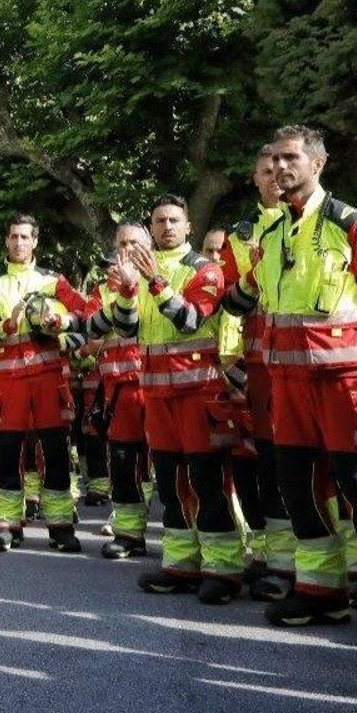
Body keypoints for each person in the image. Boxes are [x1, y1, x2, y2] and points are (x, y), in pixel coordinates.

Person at [224, 125, 357, 648]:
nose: (283, 168)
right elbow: (240, 300)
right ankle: (320, 591)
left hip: (347, 383)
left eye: (293, 158)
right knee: (299, 487)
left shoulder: (354, 223)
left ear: (318, 164)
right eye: (276, 160)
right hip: (287, 386)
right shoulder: (267, 235)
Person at [107, 196, 235, 602]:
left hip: (199, 393)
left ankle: (223, 569)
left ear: (188, 226)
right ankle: (180, 564)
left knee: (206, 481)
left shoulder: (205, 269)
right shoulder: (141, 273)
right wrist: (129, 291)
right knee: (169, 483)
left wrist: (155, 282)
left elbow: (191, 319)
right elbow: (127, 330)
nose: (166, 227)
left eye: (174, 220)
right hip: (158, 395)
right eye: (159, 220)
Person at [0, 215, 88, 552]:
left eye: (25, 237)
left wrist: (61, 322)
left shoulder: (54, 281)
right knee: (8, 454)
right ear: (6, 241)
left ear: (35, 241)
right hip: (8, 383)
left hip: (49, 379)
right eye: (13, 237)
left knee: (54, 453)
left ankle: (61, 526)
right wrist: (6, 327)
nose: (19, 243)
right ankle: (7, 524)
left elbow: (86, 315)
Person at [218, 147, 294, 601]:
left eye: (283, 168)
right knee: (269, 465)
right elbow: (230, 302)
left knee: (331, 470)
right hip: (260, 367)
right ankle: (280, 562)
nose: (276, 177)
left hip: (317, 364)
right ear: (254, 179)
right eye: (266, 171)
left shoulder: (326, 223)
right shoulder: (240, 237)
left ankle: (355, 567)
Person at [67, 225, 149, 559]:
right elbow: (93, 332)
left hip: (157, 381)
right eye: (122, 243)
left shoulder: (159, 281)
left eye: (134, 242)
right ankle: (129, 533)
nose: (127, 248)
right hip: (118, 387)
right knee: (124, 462)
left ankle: (181, 540)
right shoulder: (100, 291)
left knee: (173, 465)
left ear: (148, 246)